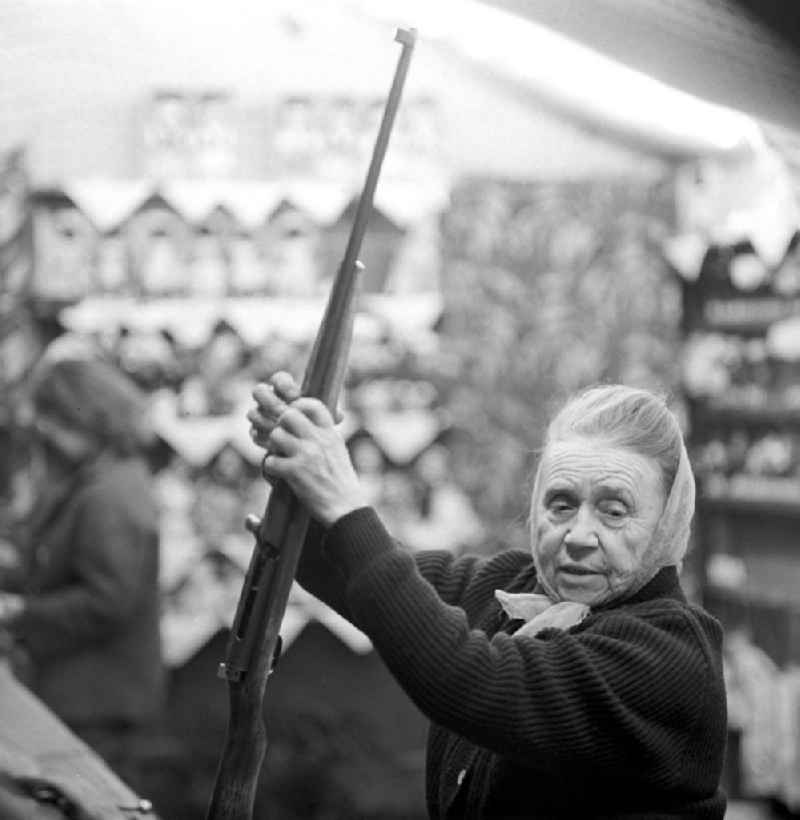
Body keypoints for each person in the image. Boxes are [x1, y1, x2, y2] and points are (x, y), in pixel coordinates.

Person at [248, 373, 726, 819]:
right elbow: (369, 578)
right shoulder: (514, 589)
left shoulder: (670, 654)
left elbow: (470, 676)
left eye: (614, 511)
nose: (579, 535)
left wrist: (343, 500)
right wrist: (298, 479)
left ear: (665, 525)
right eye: (561, 504)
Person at [0, 353, 165, 793]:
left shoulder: (112, 495)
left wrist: (19, 612)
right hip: (88, 693)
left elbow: (108, 602)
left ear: (85, 416)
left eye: (53, 420)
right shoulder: (100, 480)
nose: (46, 434)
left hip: (98, 699)